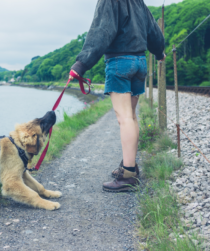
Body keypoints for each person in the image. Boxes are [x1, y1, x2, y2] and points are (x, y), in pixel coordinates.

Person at [69, 0, 165, 192]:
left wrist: (81, 65)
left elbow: (101, 32)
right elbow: (154, 32)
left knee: (125, 118)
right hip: (140, 62)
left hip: (120, 63)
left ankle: (128, 174)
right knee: (131, 116)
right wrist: (159, 51)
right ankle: (129, 165)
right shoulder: (138, 2)